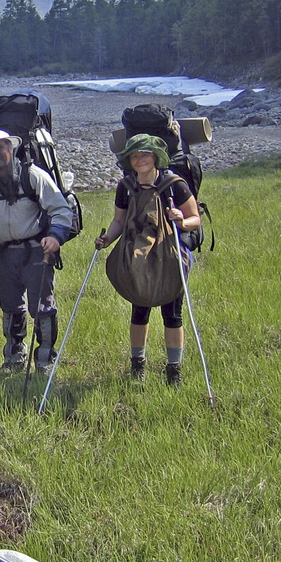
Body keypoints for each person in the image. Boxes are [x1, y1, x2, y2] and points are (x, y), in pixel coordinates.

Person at [0, 129, 75, 373]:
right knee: (10, 306)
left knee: (42, 307)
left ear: (11, 149)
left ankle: (45, 360)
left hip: (37, 252)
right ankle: (14, 357)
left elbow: (60, 210)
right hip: (4, 254)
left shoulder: (34, 176)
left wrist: (55, 237)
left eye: (0, 148)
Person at [94, 133, 201, 385]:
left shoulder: (175, 184)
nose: (139, 159)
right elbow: (119, 220)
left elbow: (195, 219)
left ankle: (174, 370)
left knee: (172, 312)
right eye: (134, 155)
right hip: (137, 255)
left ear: (155, 157)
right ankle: (137, 366)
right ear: (129, 160)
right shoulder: (125, 186)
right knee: (139, 308)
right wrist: (107, 238)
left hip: (170, 254)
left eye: (144, 154)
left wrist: (181, 220)